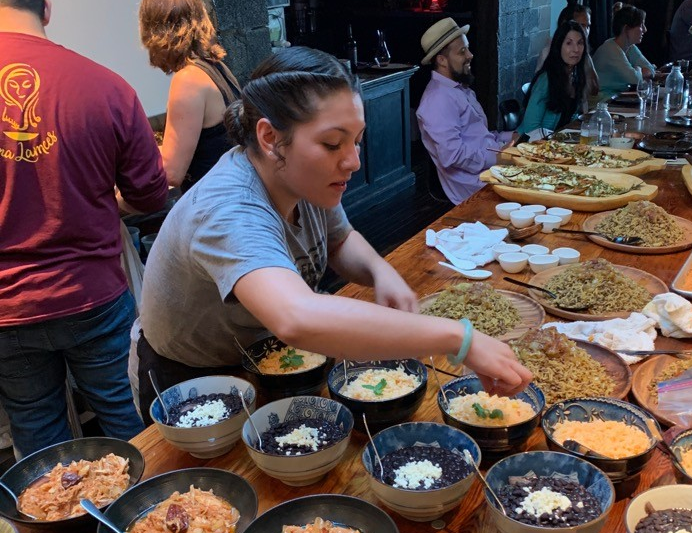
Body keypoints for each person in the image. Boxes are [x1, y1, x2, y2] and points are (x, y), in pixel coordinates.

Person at [132, 46, 532, 423]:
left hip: (273, 359)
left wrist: (379, 271)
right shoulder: (228, 207)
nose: (353, 161)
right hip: (195, 379)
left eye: (356, 141)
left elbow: (339, 238)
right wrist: (458, 338)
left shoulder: (304, 178)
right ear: (270, 138)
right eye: (332, 143)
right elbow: (297, 316)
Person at [0, 0, 168, 457]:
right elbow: (151, 195)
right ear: (47, 8)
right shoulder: (104, 85)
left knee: (36, 434)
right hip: (92, 291)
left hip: (7, 307)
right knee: (129, 419)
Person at [140, 0, 241, 193]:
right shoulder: (216, 66)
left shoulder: (188, 79)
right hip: (234, 193)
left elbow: (172, 173)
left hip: (214, 202)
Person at [416, 18, 515, 205]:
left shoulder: (458, 88)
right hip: (474, 187)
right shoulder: (437, 99)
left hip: (491, 171)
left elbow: (478, 137)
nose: (470, 55)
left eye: (468, 48)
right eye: (462, 51)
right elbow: (454, 155)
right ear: (442, 60)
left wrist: (509, 137)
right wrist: (499, 157)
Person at [518, 21, 587, 136]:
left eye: (580, 43)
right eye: (569, 43)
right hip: (535, 145)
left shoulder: (575, 76)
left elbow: (571, 118)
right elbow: (530, 128)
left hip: (559, 143)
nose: (576, 49)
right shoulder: (546, 80)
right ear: (558, 46)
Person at [534, 2, 599, 98]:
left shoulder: (581, 51)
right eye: (580, 25)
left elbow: (595, 88)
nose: (585, 31)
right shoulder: (548, 53)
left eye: (588, 26)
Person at [593, 4, 656, 100]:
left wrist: (637, 70)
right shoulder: (610, 49)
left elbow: (651, 69)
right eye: (640, 25)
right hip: (600, 103)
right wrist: (639, 69)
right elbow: (635, 79)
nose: (645, 30)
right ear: (626, 29)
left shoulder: (630, 47)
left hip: (616, 99)